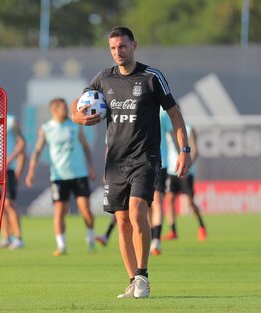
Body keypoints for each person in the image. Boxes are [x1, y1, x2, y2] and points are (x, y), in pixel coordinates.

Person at [71, 26, 192, 299]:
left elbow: (174, 113)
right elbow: (77, 103)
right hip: (114, 161)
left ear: (134, 46)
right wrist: (77, 117)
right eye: (113, 48)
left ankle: (143, 276)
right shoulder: (103, 78)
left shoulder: (151, 77)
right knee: (122, 220)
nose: (118, 52)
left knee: (137, 211)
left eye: (123, 46)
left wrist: (184, 149)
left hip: (146, 158)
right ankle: (131, 280)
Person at [26, 98, 96, 256]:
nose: (67, 110)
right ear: (54, 110)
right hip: (59, 176)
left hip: (79, 174)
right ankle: (61, 245)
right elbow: (37, 151)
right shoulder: (46, 128)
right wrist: (31, 171)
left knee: (85, 209)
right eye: (64, 108)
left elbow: (85, 147)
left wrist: (91, 167)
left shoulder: (75, 125)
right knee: (59, 212)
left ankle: (90, 239)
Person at [0, 113, 26, 250]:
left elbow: (22, 143)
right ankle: (6, 237)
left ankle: (18, 237)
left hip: (7, 170)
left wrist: (11, 159)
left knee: (9, 203)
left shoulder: (11, 120)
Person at [163, 124, 207, 241]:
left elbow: (195, 150)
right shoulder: (166, 128)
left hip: (186, 171)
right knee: (169, 199)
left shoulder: (188, 128)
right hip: (172, 170)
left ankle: (201, 226)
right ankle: (173, 230)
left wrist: (186, 166)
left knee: (190, 202)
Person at [148, 108, 174, 256]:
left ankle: (156, 240)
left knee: (157, 201)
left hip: (160, 162)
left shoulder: (162, 113)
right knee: (144, 205)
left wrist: (182, 154)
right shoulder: (135, 107)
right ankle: (150, 236)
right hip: (140, 164)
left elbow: (172, 133)